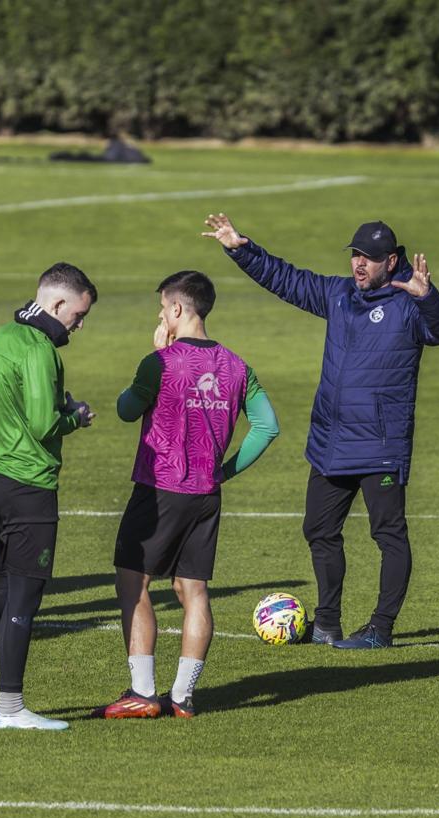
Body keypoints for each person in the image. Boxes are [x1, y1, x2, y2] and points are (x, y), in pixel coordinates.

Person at [204, 214, 439, 649]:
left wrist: (429, 297)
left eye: (370, 258)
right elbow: (288, 280)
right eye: (355, 255)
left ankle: (380, 628)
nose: (359, 264)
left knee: (388, 535)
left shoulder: (411, 304)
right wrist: (242, 249)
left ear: (391, 261)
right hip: (331, 443)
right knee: (318, 529)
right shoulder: (339, 295)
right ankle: (326, 623)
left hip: (379, 445)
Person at [94, 270, 278, 718]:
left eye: (162, 308)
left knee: (133, 582)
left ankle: (142, 692)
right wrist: (224, 471)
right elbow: (268, 426)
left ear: (177, 309)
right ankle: (182, 696)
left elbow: (124, 410)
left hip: (160, 490)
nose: (161, 316)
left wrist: (156, 355)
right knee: (193, 590)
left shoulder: (160, 361)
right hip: (206, 495)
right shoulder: (238, 366)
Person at [0, 264, 97, 731]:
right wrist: (77, 416)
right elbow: (45, 424)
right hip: (30, 486)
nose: (80, 325)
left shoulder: (1, 336)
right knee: (24, 597)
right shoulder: (40, 349)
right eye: (79, 314)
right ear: (57, 304)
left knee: (0, 586)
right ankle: (10, 708)